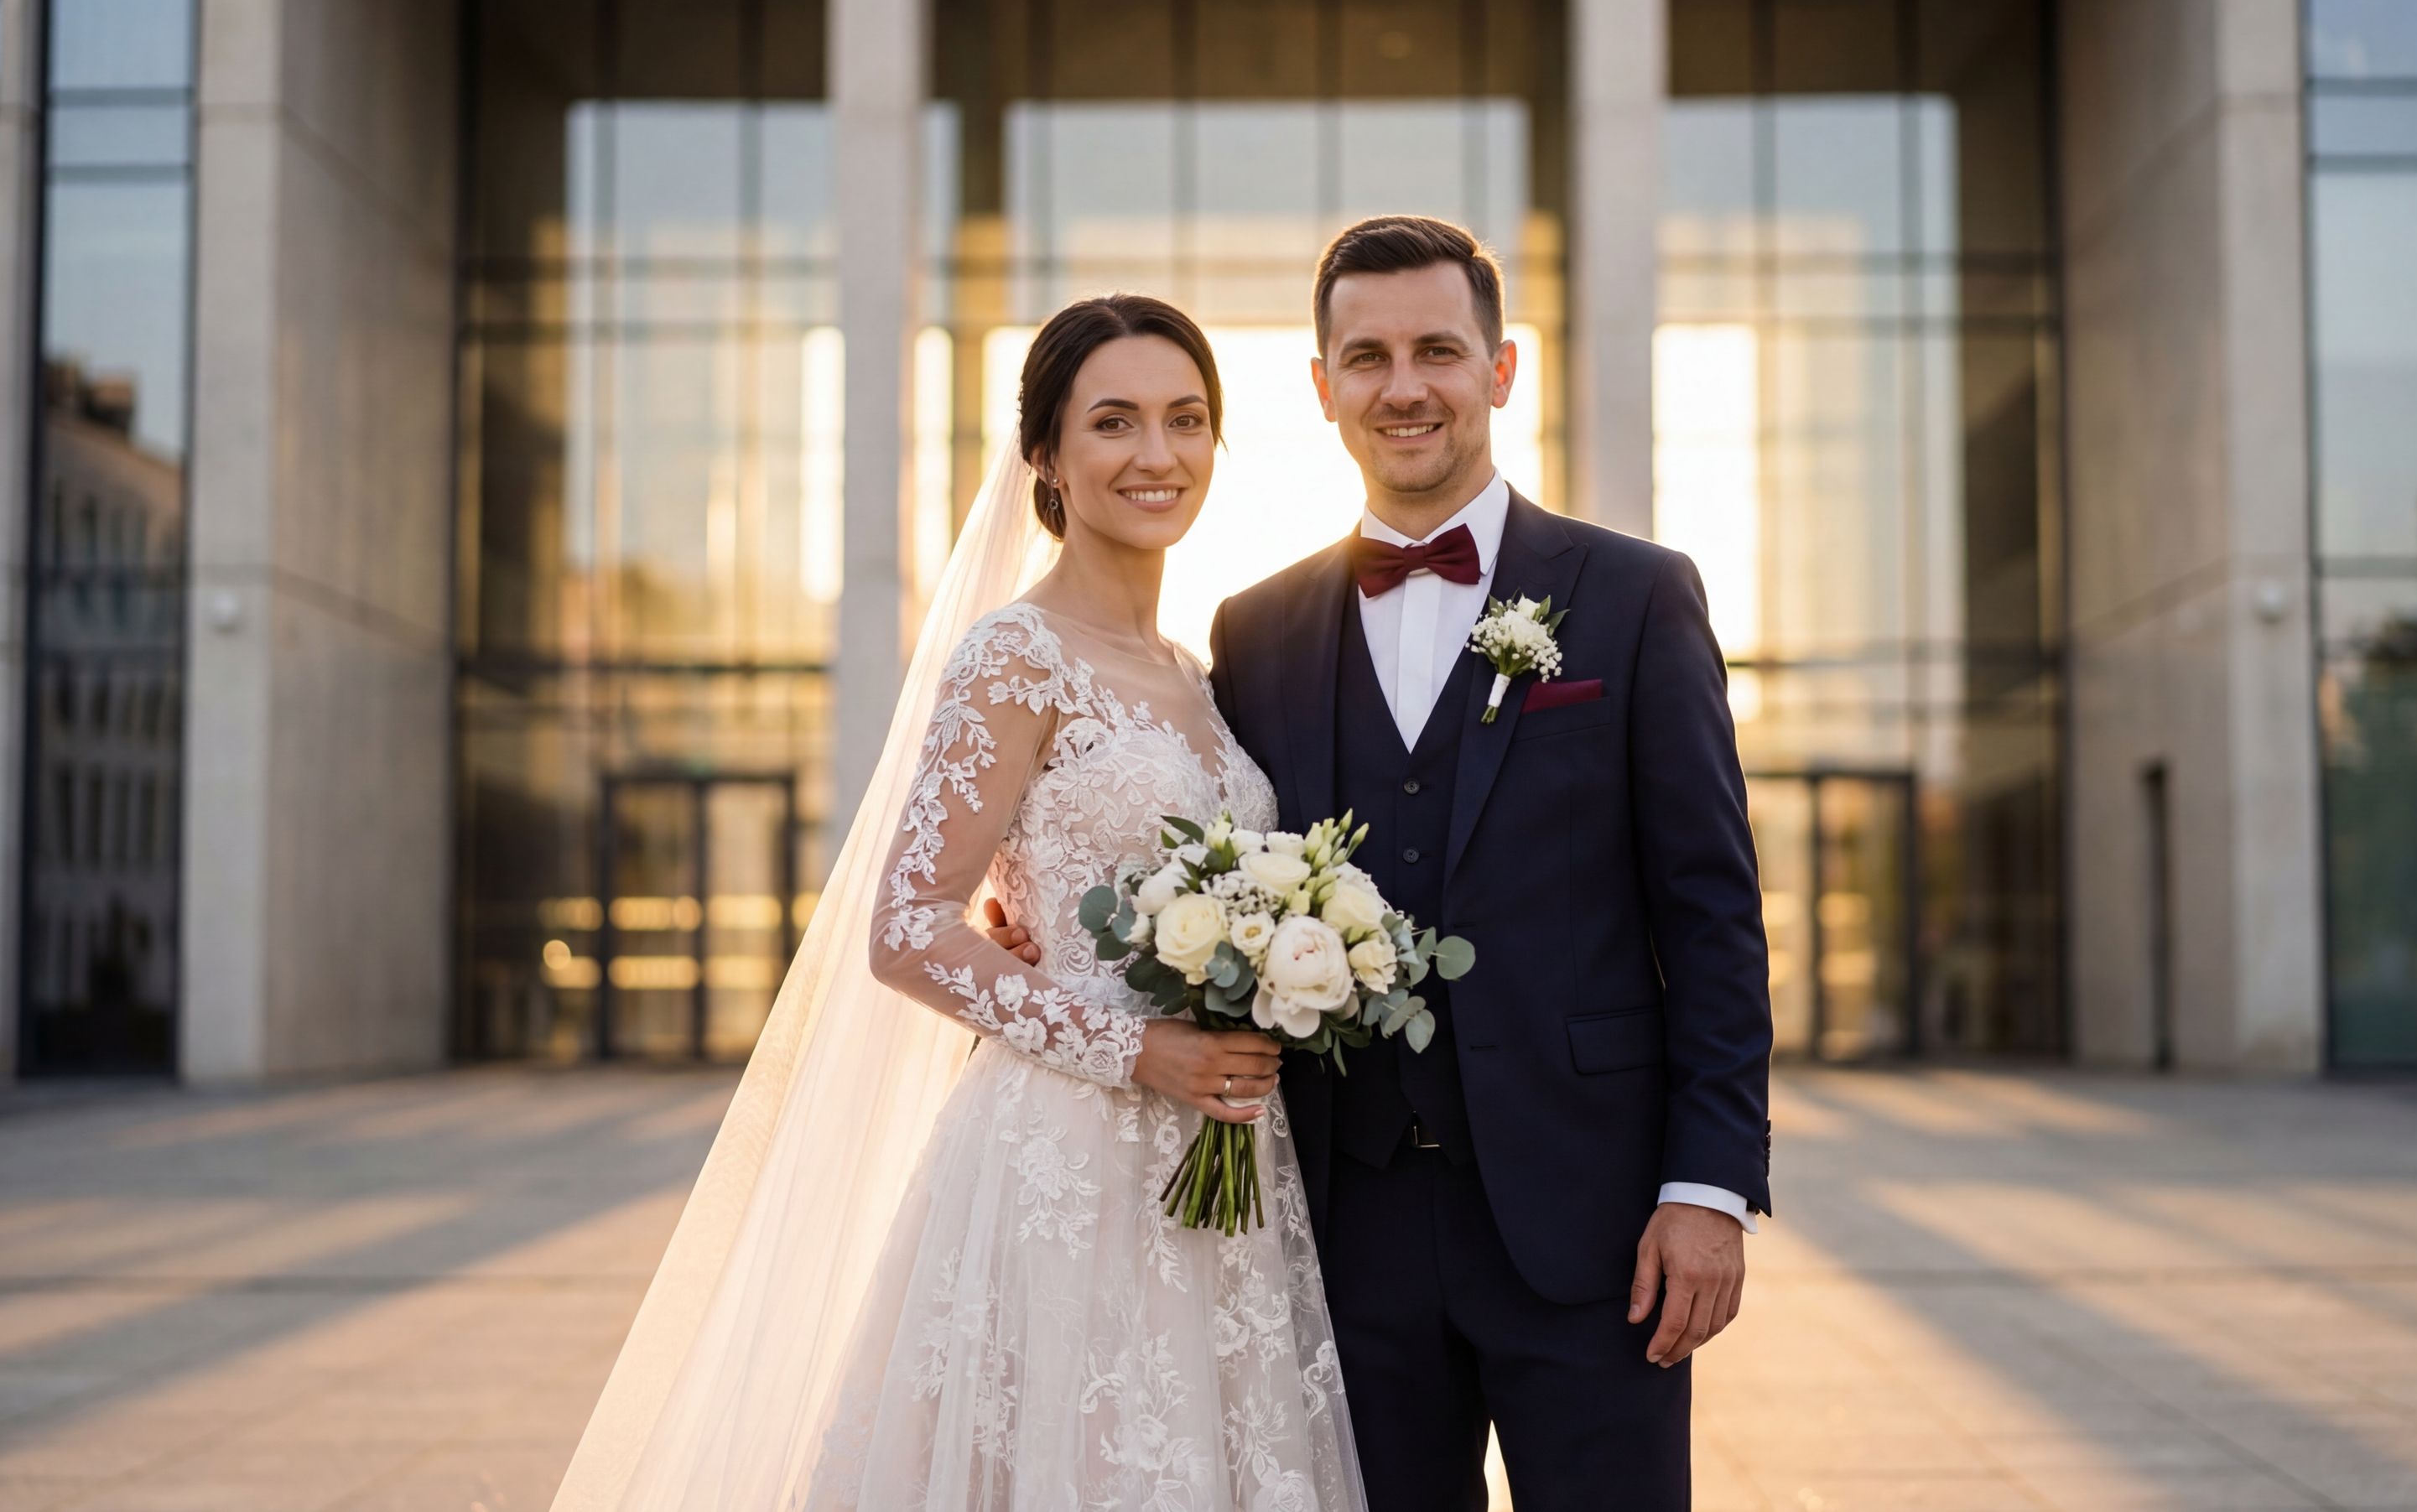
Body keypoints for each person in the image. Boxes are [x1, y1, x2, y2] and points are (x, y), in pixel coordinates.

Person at [551, 294, 1365, 1509]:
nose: (1157, 453)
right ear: (1046, 456)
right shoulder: (1014, 655)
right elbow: (907, 929)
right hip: (1070, 1152)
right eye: (1114, 422)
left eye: (1187, 419)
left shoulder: (1198, 674)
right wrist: (1137, 1046)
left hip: (1219, 1156)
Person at [1203, 216, 1773, 1509]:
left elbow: (1713, 915)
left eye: (1438, 350)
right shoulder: (1255, 629)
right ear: (1323, 387)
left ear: (1501, 369)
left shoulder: (1636, 594)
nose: (1403, 385)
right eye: (1367, 357)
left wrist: (1709, 1187)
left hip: (1597, 1219)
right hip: (1345, 1233)